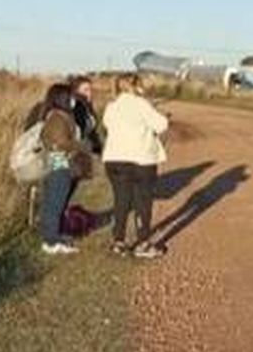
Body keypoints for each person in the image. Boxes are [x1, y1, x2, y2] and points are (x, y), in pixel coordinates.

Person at [102, 74, 171, 258]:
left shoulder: (111, 106)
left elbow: (107, 125)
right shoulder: (141, 104)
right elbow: (162, 125)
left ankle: (118, 241)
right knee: (142, 202)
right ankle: (143, 243)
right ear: (136, 86)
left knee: (121, 201)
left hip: (114, 159)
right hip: (140, 159)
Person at [37, 83, 92, 254]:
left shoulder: (56, 115)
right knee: (55, 203)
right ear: (62, 98)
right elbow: (60, 143)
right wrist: (81, 145)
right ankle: (51, 242)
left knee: (55, 202)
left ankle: (53, 236)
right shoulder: (57, 118)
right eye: (70, 97)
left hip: (57, 163)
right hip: (59, 164)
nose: (73, 100)